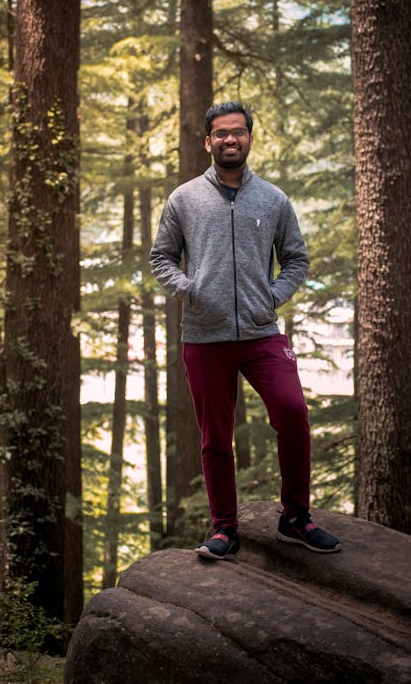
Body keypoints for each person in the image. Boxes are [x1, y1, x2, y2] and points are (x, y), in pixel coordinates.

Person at [150, 101, 341, 560]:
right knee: (215, 437)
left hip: (261, 333)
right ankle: (225, 529)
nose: (230, 139)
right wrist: (190, 290)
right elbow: (161, 258)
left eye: (238, 132)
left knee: (293, 414)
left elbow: (296, 258)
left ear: (250, 139)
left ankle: (295, 517)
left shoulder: (273, 199)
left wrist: (272, 297)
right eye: (221, 133)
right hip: (204, 335)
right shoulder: (184, 199)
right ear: (208, 141)